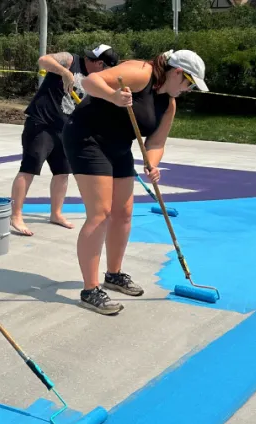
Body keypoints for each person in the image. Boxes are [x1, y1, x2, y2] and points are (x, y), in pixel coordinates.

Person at [61, 49, 208, 315]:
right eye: (189, 83)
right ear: (177, 73)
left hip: (119, 145)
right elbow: (90, 82)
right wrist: (114, 97)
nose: (189, 90)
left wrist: (152, 163)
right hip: (87, 138)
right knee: (101, 213)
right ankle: (90, 290)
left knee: (124, 213)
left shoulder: (169, 104)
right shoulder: (142, 72)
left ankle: (114, 274)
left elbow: (156, 142)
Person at [10, 44, 120, 236]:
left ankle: (56, 213)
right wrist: (64, 72)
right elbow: (43, 60)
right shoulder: (71, 60)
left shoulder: (96, 81)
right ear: (100, 63)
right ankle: (16, 215)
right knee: (29, 168)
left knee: (62, 173)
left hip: (65, 128)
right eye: (106, 69)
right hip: (41, 123)